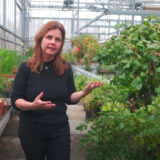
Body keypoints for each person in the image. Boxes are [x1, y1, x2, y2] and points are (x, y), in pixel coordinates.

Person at [11, 20, 103, 160]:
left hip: (58, 130)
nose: (53, 42)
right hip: (31, 130)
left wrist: (83, 93)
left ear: (61, 44)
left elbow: (70, 97)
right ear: (40, 39)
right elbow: (15, 100)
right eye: (49, 37)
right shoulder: (26, 68)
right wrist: (32, 105)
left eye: (58, 39)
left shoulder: (65, 68)